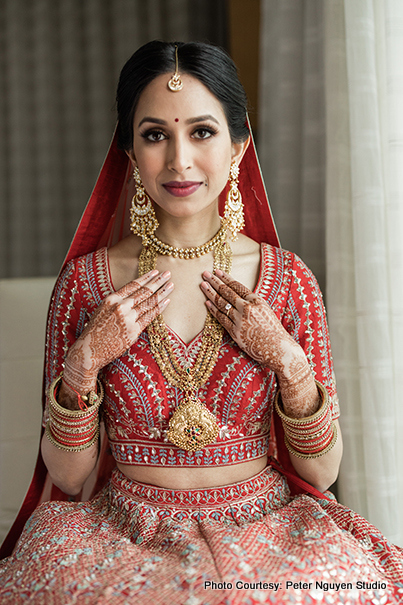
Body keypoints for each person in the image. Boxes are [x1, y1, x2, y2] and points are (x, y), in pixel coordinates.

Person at [0, 40, 402, 605]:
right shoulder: (88, 284)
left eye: (203, 132)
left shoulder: (286, 281)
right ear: (130, 152)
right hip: (126, 532)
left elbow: (323, 470)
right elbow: (68, 479)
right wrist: (85, 361)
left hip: (265, 529)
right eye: (155, 134)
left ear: (239, 145)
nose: (179, 159)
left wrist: (288, 359)